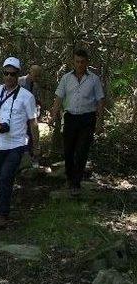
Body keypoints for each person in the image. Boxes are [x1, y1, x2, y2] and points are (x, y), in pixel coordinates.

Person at [0, 57, 39, 228]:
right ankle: (2, 203)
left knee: (7, 176)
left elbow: (33, 123)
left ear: (18, 75)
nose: (8, 77)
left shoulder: (26, 97)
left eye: (12, 74)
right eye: (6, 73)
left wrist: (36, 146)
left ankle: (2, 213)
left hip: (16, 144)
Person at [50, 49, 105, 196]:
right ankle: (69, 177)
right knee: (68, 150)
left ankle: (76, 182)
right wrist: (53, 114)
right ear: (73, 62)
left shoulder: (94, 79)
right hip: (71, 118)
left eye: (82, 62)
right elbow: (58, 98)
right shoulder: (66, 78)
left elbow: (100, 100)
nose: (80, 64)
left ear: (87, 62)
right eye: (77, 62)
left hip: (88, 118)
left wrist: (100, 121)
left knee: (82, 151)